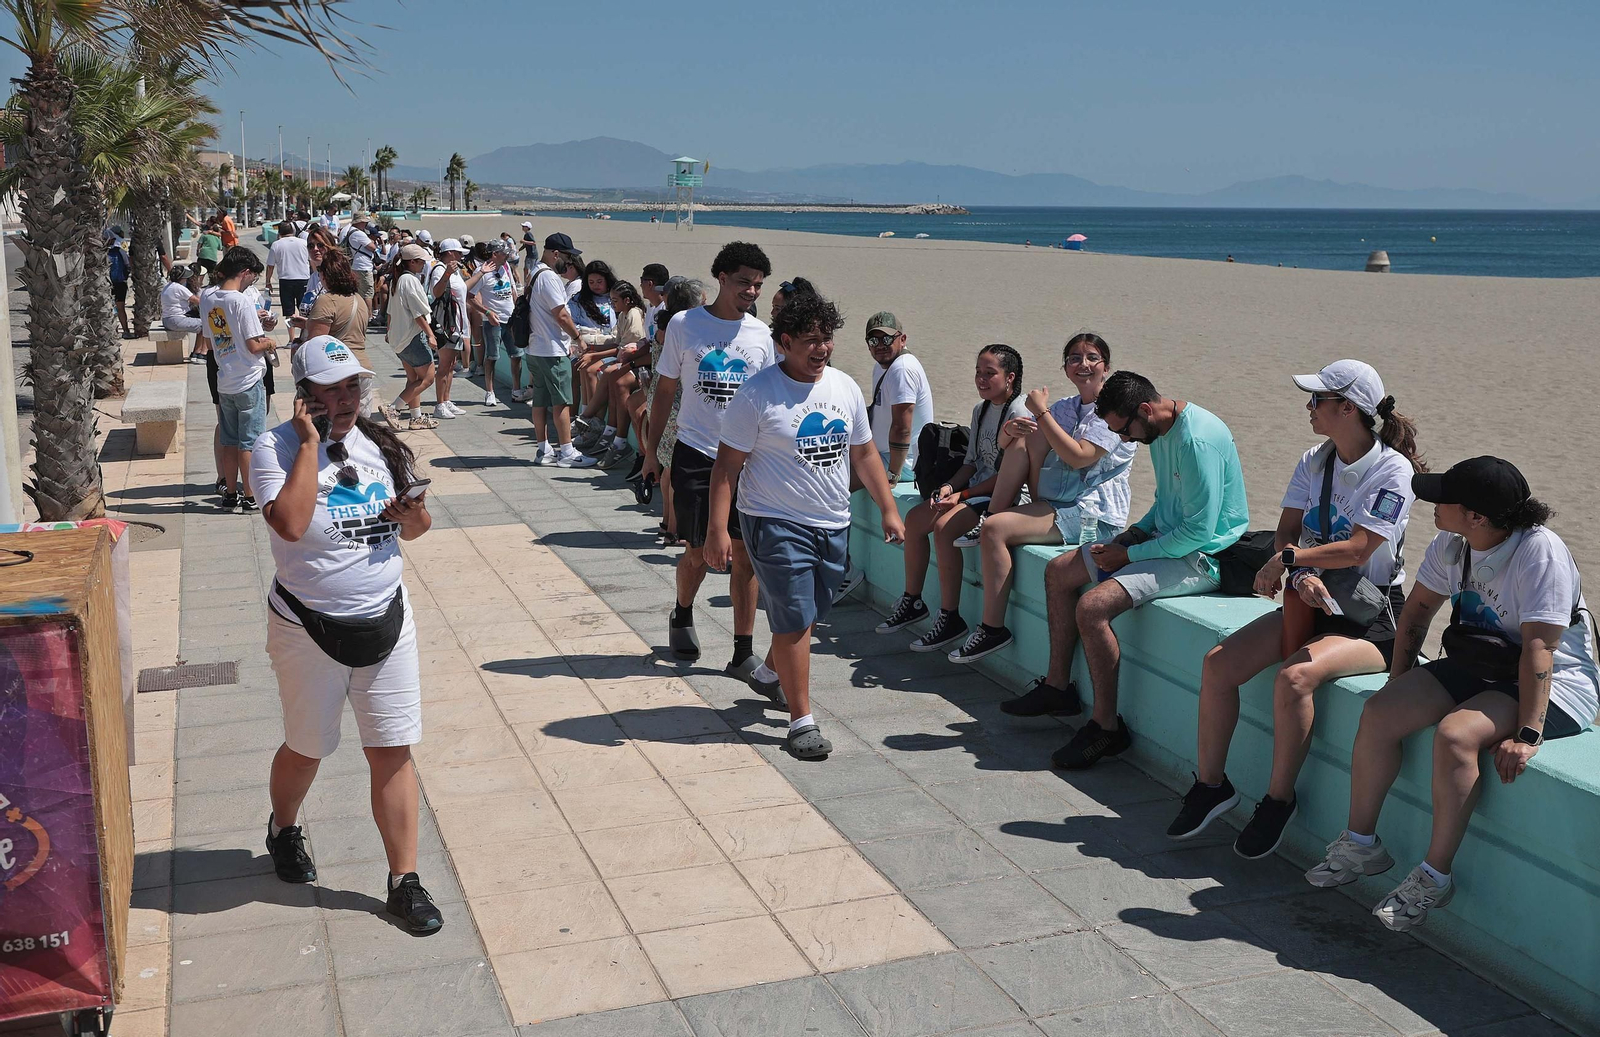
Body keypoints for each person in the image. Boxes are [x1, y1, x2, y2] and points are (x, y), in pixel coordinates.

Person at [1305, 457, 1596, 931]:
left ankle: (1433, 877)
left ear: (1478, 516)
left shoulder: (1539, 553)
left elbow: (1541, 649)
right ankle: (1362, 845)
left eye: (1444, 499)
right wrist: (1399, 680)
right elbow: (1417, 612)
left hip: (1554, 683)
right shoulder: (1453, 542)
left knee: (1456, 735)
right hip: (1484, 662)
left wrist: (1528, 732)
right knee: (1380, 712)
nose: (1432, 503)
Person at [1171, 361, 1424, 857]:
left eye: (1316, 400)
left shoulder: (1394, 470)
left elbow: (1358, 549)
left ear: (1346, 408)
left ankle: (1278, 799)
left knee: (1294, 678)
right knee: (1218, 664)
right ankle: (1210, 785)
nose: (1308, 408)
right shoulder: (1315, 457)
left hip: (1370, 617)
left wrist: (1289, 562)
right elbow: (1287, 529)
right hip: (1313, 596)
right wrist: (1300, 570)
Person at [252, 335, 443, 936]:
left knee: (391, 747)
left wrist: (412, 518)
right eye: (330, 389)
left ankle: (404, 881)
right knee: (308, 747)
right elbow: (289, 523)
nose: (345, 399)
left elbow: (416, 529)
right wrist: (310, 444)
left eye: (351, 386)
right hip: (308, 628)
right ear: (303, 396)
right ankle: (283, 826)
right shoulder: (273, 447)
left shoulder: (380, 443)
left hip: (386, 618)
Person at [1011, 370, 1249, 769]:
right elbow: (1165, 501)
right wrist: (1133, 535)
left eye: (1125, 431)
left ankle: (1105, 728)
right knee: (1058, 572)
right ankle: (1057, 687)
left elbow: (1198, 531)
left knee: (1092, 608)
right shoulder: (1157, 430)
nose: (1123, 440)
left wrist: (1130, 556)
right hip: (1164, 541)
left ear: (1144, 409)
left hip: (1203, 557)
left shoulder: (1198, 440)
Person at [707, 290, 905, 757]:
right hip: (772, 521)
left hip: (833, 520)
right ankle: (801, 721)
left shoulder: (844, 387)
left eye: (827, 339)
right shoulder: (755, 395)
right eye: (811, 341)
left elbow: (864, 452)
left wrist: (888, 507)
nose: (822, 349)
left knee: (811, 612)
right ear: (785, 342)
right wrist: (718, 529)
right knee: (796, 616)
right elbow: (726, 467)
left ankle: (770, 673)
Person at [943, 333, 1135, 663]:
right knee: (1023, 441)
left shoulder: (1111, 413)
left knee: (995, 530)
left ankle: (992, 629)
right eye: (1074, 358)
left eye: (1092, 358)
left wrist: (1042, 414)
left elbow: (1079, 456)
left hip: (1093, 513)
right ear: (1065, 368)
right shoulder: (1068, 407)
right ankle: (995, 512)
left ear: (1106, 366)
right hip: (1059, 501)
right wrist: (1013, 429)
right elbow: (1010, 445)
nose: (1083, 364)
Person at [643, 242, 781, 695]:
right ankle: (683, 611)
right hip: (697, 453)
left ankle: (742, 651)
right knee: (701, 551)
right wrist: (649, 452)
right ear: (720, 277)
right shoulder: (685, 325)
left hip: (749, 461)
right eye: (744, 282)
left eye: (758, 285)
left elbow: (772, 402)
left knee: (745, 558)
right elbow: (663, 392)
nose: (751, 291)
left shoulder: (762, 335)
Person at [877, 345, 1027, 640]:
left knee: (945, 528)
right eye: (978, 373)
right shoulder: (981, 409)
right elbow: (972, 463)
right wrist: (949, 487)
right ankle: (913, 600)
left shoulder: (1018, 413)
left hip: (1004, 497)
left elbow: (1006, 476)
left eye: (990, 373)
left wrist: (964, 495)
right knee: (917, 520)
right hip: (975, 490)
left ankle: (950, 616)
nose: (981, 379)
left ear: (1010, 377)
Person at [207, 246, 277, 511]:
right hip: (248, 379)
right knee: (250, 442)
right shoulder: (241, 300)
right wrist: (270, 342)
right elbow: (253, 345)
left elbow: (212, 341)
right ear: (245, 273)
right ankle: (250, 496)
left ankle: (230, 492)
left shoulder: (208, 297)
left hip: (224, 377)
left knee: (229, 439)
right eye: (253, 277)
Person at [522, 234, 595, 467]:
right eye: (567, 257)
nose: (569, 263)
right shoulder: (550, 278)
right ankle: (567, 452)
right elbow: (561, 314)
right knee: (562, 402)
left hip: (535, 347)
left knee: (540, 402)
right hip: (552, 349)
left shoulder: (534, 272)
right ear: (556, 254)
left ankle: (543, 450)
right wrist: (578, 338)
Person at [300, 243, 375, 420]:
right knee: (360, 429)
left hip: (337, 373)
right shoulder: (359, 300)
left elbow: (316, 343)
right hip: (362, 368)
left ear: (325, 275)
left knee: (333, 429)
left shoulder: (326, 301)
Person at [862, 312, 933, 483]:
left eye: (886, 339)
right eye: (873, 340)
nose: (880, 345)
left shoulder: (902, 369)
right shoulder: (882, 366)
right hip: (883, 455)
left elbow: (902, 428)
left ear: (902, 339)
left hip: (905, 464)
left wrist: (893, 475)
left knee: (836, 478)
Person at [384, 243, 439, 430]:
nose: (424, 264)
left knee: (413, 378)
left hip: (398, 338)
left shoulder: (396, 279)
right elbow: (418, 314)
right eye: (421, 261)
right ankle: (393, 409)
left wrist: (388, 330)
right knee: (428, 378)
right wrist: (430, 335)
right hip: (412, 337)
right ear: (413, 262)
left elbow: (390, 310)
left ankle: (416, 417)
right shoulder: (410, 281)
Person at [465, 241, 520, 406]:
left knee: (516, 355)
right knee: (492, 357)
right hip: (493, 321)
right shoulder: (481, 272)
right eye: (504, 253)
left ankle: (516, 390)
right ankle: (489, 391)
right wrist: (487, 313)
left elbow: (512, 290)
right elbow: (470, 296)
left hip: (510, 319)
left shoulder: (506, 267)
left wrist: (518, 311)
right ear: (495, 254)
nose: (507, 256)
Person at [427, 239, 470, 419]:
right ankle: (439, 404)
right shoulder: (440, 269)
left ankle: (446, 399)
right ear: (450, 253)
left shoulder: (456, 271)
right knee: (444, 366)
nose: (461, 256)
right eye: (459, 253)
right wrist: (446, 274)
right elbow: (436, 293)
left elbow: (462, 291)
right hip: (447, 323)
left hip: (457, 322)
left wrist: (481, 274)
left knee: (451, 365)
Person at [265, 222, 311, 316]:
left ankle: (291, 330)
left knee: (289, 312)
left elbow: (270, 266)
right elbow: (311, 261)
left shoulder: (276, 245)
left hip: (285, 280)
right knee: (305, 310)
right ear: (293, 231)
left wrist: (268, 281)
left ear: (279, 233)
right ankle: (304, 329)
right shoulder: (304, 243)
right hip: (303, 279)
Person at [160, 264, 203, 360]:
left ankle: (196, 352)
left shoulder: (167, 286)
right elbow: (197, 301)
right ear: (182, 278)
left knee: (200, 322)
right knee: (205, 325)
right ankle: (200, 354)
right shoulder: (179, 287)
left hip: (166, 320)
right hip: (176, 320)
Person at [345, 212, 379, 305]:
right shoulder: (359, 233)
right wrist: (372, 242)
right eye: (364, 222)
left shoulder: (350, 231)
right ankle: (369, 316)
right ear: (359, 222)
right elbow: (373, 247)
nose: (365, 224)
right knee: (368, 293)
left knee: (360, 292)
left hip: (357, 265)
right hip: (364, 267)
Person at [106, 230, 133, 338]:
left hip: (107, 284)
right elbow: (127, 265)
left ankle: (113, 332)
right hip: (120, 282)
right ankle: (126, 331)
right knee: (120, 308)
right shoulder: (120, 251)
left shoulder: (103, 253)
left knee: (109, 308)